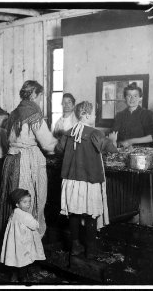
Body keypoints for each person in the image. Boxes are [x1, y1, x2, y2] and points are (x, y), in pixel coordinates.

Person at [56, 101, 118, 259]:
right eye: (94, 114)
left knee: (74, 213)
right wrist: (113, 140)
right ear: (86, 115)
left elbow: (59, 149)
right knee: (91, 214)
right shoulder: (95, 133)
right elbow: (111, 150)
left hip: (71, 180)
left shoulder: (68, 132)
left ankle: (75, 246)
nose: (95, 116)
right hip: (90, 180)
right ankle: (91, 249)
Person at [0, 80, 58, 241]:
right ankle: (29, 239)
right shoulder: (33, 113)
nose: (39, 100)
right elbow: (46, 142)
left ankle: (12, 239)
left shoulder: (14, 113)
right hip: (26, 160)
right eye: (39, 96)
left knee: (13, 199)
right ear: (33, 95)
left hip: (11, 159)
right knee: (30, 197)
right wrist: (58, 147)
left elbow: (6, 140)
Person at [0, 188, 46, 282]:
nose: (28, 204)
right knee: (24, 261)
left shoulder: (14, 212)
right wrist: (36, 220)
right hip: (24, 242)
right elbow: (34, 225)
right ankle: (23, 278)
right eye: (25, 202)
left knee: (15, 259)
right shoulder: (26, 215)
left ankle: (14, 275)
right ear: (17, 204)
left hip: (15, 242)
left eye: (29, 201)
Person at [109, 82, 153, 148]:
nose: (132, 99)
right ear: (125, 98)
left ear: (140, 98)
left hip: (142, 153)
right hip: (122, 151)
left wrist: (130, 141)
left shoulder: (147, 114)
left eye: (135, 96)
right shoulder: (119, 115)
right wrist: (114, 141)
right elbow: (113, 136)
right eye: (129, 96)